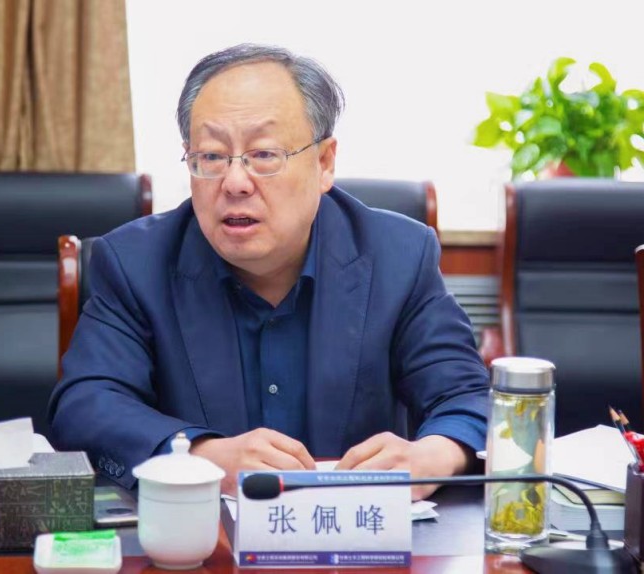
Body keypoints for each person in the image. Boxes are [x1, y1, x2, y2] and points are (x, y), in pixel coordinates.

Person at [49, 44, 488, 500]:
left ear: (324, 163)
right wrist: (199, 457)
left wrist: (433, 455)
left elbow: (467, 397)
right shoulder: (136, 263)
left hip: (361, 532)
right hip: (202, 536)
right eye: (211, 157)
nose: (235, 182)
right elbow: (86, 406)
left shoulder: (399, 256)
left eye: (263, 154)